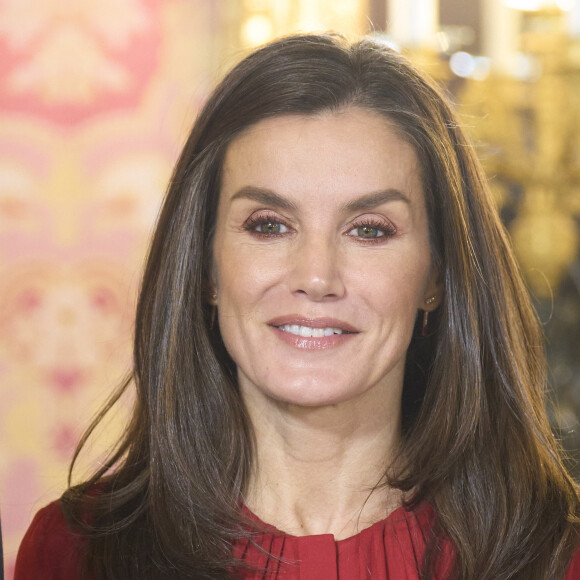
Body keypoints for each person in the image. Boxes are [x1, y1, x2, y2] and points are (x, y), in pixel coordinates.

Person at [15, 33, 580, 580]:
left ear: (436, 274)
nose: (316, 276)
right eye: (269, 225)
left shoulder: (556, 556)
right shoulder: (74, 553)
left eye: (369, 230)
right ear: (207, 267)